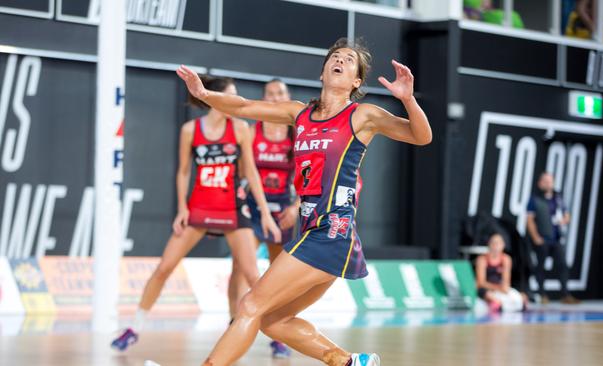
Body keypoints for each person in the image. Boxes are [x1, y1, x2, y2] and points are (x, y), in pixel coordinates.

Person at [176, 37, 432, 366]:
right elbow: (242, 107)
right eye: (335, 57)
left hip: (332, 231)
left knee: (250, 306)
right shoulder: (300, 114)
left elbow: (421, 136)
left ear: (356, 81)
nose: (340, 60)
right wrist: (205, 95)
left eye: (349, 60)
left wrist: (408, 100)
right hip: (313, 231)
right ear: (323, 72)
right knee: (272, 321)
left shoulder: (363, 115)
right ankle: (350, 362)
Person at [111, 76, 281, 351]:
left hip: (233, 209)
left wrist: (264, 213)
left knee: (253, 277)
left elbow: (250, 172)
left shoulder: (239, 128)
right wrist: (182, 208)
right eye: (230, 96)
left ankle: (276, 337)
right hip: (200, 207)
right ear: (213, 98)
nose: (235, 101)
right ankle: (134, 328)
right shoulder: (191, 130)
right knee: (164, 268)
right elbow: (183, 171)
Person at [230, 79, 298, 358]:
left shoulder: (298, 130)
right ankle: (233, 322)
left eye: (280, 93)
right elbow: (241, 168)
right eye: (270, 93)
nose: (274, 97)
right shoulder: (251, 129)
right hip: (253, 206)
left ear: (288, 96)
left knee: (278, 271)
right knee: (240, 266)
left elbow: (311, 172)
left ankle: (276, 330)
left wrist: (296, 205)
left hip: (284, 207)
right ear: (263, 97)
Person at [526, 172, 580, 305]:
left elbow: (567, 215)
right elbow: (529, 220)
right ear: (540, 183)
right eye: (545, 181)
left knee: (562, 265)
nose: (547, 183)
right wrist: (536, 237)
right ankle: (542, 294)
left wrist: (564, 220)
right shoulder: (535, 199)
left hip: (555, 238)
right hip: (542, 238)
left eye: (550, 181)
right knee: (541, 267)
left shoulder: (558, 198)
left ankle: (565, 294)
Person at [475, 233, 527, 312]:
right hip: (486, 288)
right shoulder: (482, 259)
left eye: (498, 243)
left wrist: (503, 289)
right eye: (493, 243)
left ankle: (503, 304)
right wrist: (498, 288)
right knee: (487, 294)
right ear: (489, 244)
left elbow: (506, 282)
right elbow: (481, 282)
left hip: (500, 289)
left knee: (520, 297)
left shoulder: (506, 259)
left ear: (503, 245)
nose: (495, 246)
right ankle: (495, 304)